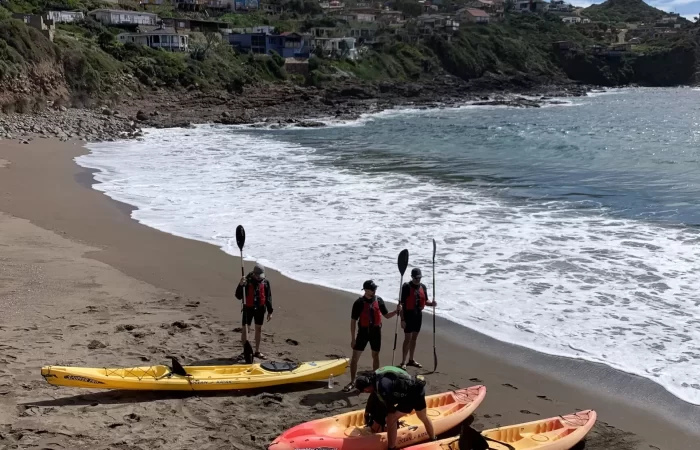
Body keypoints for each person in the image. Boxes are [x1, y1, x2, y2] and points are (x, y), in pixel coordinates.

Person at [354, 366, 436, 450]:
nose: (366, 392)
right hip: (417, 387)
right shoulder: (377, 374)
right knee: (423, 417)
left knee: (390, 418)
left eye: (364, 390)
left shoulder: (382, 387)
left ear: (367, 386)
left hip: (411, 394)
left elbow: (390, 409)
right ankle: (433, 438)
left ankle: (392, 448)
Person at [343, 280, 400, 392]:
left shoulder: (379, 300)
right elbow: (353, 321)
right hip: (363, 333)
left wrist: (396, 311)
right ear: (365, 290)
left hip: (376, 333)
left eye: (375, 289)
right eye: (372, 289)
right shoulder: (358, 303)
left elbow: (387, 315)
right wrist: (353, 338)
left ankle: (376, 381)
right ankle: (352, 381)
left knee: (375, 356)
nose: (374, 291)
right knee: (355, 358)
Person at [399, 268, 437, 370]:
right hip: (408, 316)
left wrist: (432, 304)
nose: (418, 280)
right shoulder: (406, 287)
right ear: (412, 277)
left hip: (418, 316)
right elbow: (401, 304)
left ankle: (411, 359)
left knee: (414, 338)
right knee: (407, 339)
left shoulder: (423, 287)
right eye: (416, 278)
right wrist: (402, 319)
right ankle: (403, 361)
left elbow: (425, 301)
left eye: (419, 278)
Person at [235, 262, 273, 359]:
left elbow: (268, 297)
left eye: (262, 276)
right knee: (245, 330)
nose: (260, 278)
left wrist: (270, 311)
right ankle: (245, 351)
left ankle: (257, 351)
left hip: (260, 308)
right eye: (258, 276)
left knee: (258, 329)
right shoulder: (246, 281)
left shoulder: (265, 282)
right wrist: (240, 285)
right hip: (248, 308)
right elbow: (238, 296)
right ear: (254, 274)